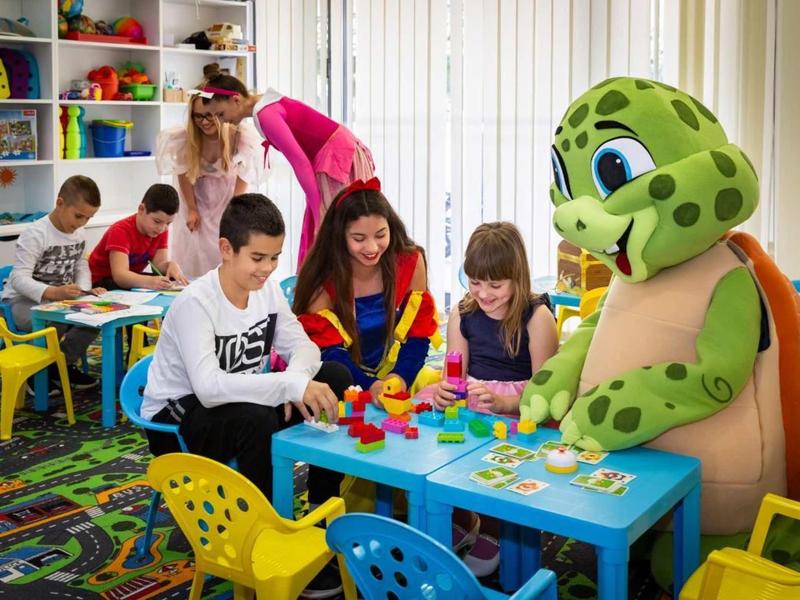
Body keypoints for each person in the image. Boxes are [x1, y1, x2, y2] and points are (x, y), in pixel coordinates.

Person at [139, 193, 350, 598]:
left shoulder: (266, 291)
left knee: (334, 377)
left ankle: (320, 515)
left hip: (238, 402)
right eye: (257, 258)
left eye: (275, 258)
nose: (268, 268)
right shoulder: (195, 303)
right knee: (257, 420)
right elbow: (209, 388)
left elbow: (304, 347)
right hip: (177, 419)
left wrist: (296, 379)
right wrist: (288, 386)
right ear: (226, 249)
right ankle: (266, 545)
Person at [419, 221, 558, 577]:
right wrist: (446, 391)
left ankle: (494, 530)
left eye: (495, 285)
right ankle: (462, 520)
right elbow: (454, 373)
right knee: (441, 449)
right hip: (473, 399)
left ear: (517, 277)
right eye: (475, 282)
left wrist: (505, 404)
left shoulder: (537, 316)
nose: (483, 293)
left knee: (501, 467)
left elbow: (545, 389)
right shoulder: (462, 314)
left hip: (521, 403)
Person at [195, 63, 374, 265]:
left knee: (337, 230)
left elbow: (300, 162)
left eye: (220, 114)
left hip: (335, 157)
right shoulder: (266, 103)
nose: (221, 121)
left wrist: (319, 211)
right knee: (333, 229)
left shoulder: (265, 115)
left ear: (235, 99)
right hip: (336, 151)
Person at [292, 177, 441, 402]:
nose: (372, 247)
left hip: (396, 370)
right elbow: (329, 352)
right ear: (340, 236)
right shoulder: (322, 276)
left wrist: (399, 378)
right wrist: (370, 386)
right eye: (359, 238)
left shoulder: (410, 261)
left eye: (381, 235)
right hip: (343, 378)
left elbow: (417, 335)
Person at [2, 175, 105, 390]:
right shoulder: (36, 234)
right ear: (60, 203)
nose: (82, 223)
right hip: (20, 302)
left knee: (95, 318)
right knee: (55, 320)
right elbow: (18, 279)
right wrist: (54, 293)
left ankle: (59, 365)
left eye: (89, 218)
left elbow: (81, 265)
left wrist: (84, 290)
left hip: (59, 301)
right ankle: (35, 373)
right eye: (78, 216)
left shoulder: (79, 233)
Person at [156, 87, 263, 278]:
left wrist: (234, 210)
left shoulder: (239, 136)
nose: (204, 122)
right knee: (193, 249)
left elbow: (244, 175)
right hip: (196, 198)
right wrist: (192, 208)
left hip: (227, 198)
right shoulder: (185, 138)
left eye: (208, 116)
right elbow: (183, 173)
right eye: (198, 116)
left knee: (224, 246)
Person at [88, 184, 189, 290]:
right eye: (157, 221)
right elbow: (120, 276)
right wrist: (150, 282)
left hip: (128, 277)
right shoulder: (120, 231)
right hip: (102, 281)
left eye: (168, 223)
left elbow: (158, 265)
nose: (161, 229)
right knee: (153, 283)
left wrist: (169, 265)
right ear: (141, 209)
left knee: (167, 281)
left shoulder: (160, 230)